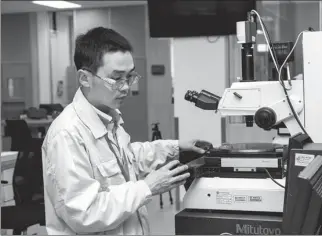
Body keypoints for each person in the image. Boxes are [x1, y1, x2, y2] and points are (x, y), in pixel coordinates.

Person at [41, 27, 210, 235]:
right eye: (116, 78)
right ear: (84, 78)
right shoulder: (67, 134)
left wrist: (175, 147)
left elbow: (127, 159)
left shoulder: (109, 116)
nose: (126, 87)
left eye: (130, 77)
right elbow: (84, 213)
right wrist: (147, 187)